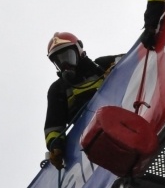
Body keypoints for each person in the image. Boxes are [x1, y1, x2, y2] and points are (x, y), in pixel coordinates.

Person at [44, 32, 120, 169]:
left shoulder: (104, 65)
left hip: (123, 119)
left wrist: (116, 73)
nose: (64, 63)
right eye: (59, 60)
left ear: (79, 50)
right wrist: (55, 147)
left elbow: (140, 59)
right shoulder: (58, 90)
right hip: (94, 139)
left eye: (68, 56)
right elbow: (54, 127)